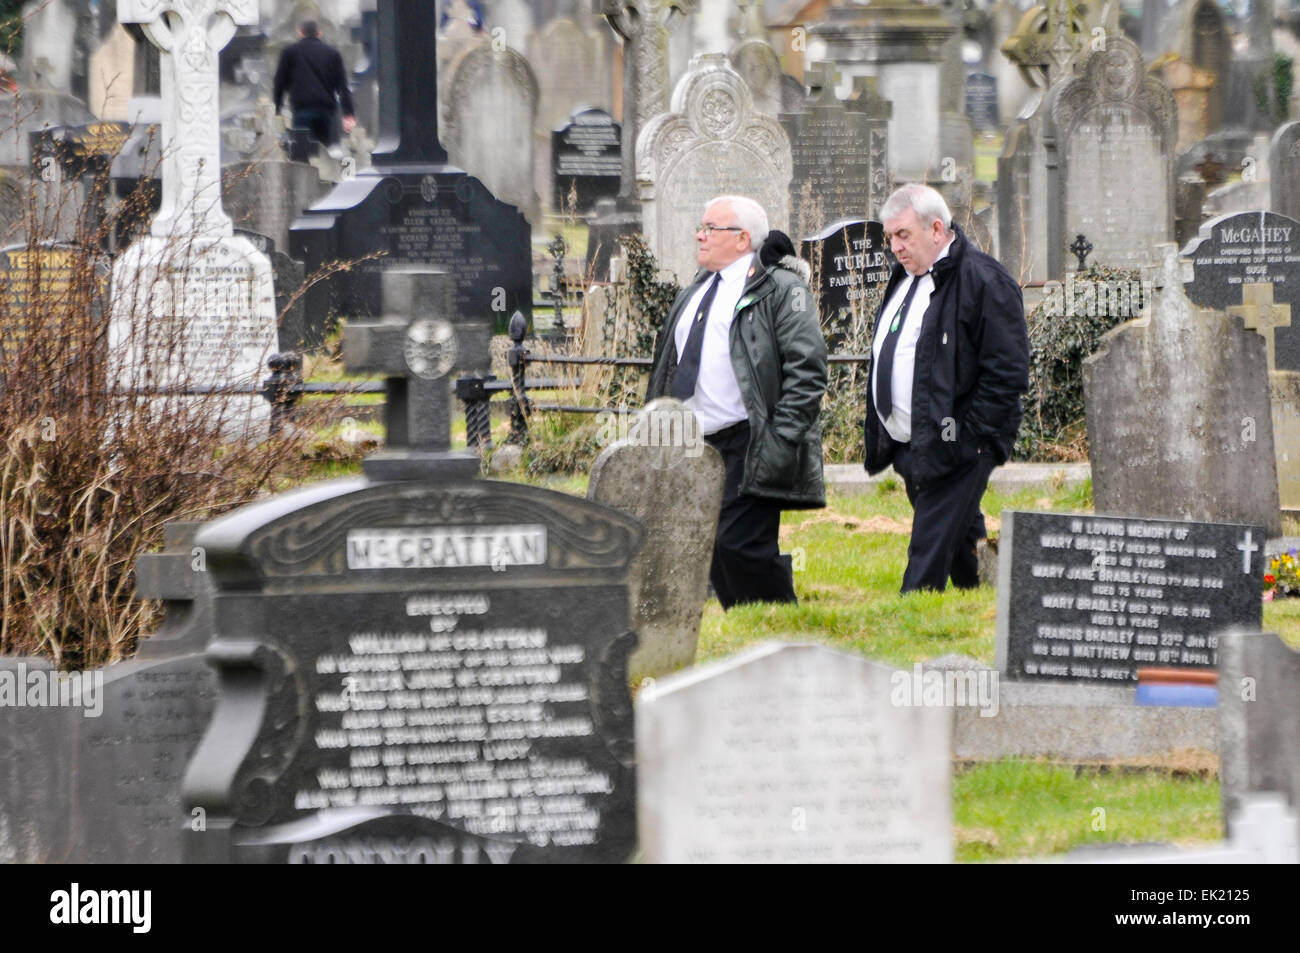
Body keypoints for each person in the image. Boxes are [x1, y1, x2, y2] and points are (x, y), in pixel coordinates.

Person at [646, 196, 827, 609]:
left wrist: (782, 438)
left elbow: (808, 367)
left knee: (738, 542)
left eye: (711, 227)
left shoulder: (779, 289)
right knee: (708, 542)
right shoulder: (696, 289)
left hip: (750, 439)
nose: (700, 234)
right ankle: (755, 619)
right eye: (701, 226)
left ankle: (777, 617)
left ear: (743, 238)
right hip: (693, 441)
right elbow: (669, 366)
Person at [864, 183, 1029, 593]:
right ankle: (986, 589)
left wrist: (968, 437)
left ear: (936, 229)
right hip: (913, 441)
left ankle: (912, 614)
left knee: (927, 549)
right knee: (959, 532)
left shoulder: (985, 280)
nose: (896, 247)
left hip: (958, 441)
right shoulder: (906, 277)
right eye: (890, 238)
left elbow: (1007, 370)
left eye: (904, 235)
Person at [273, 20, 357, 153]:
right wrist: (348, 114)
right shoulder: (332, 53)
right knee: (325, 153)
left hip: (302, 109)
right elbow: (342, 86)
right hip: (326, 111)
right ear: (319, 33)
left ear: (300, 32)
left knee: (303, 153)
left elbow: (280, 82)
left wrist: (277, 108)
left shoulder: (290, 52)